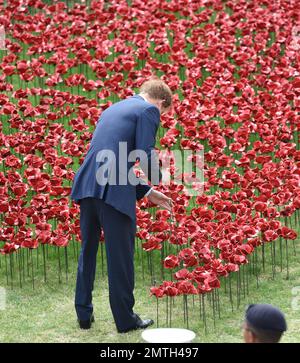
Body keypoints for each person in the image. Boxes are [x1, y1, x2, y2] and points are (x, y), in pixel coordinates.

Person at [70, 79, 173, 333]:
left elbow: (112, 154)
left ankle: (84, 314)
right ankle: (125, 320)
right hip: (114, 192)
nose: (160, 117)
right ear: (161, 103)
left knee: (88, 250)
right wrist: (161, 178)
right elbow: (143, 151)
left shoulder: (113, 108)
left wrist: (147, 191)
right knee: (121, 257)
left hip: (87, 184)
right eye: (164, 113)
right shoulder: (148, 110)